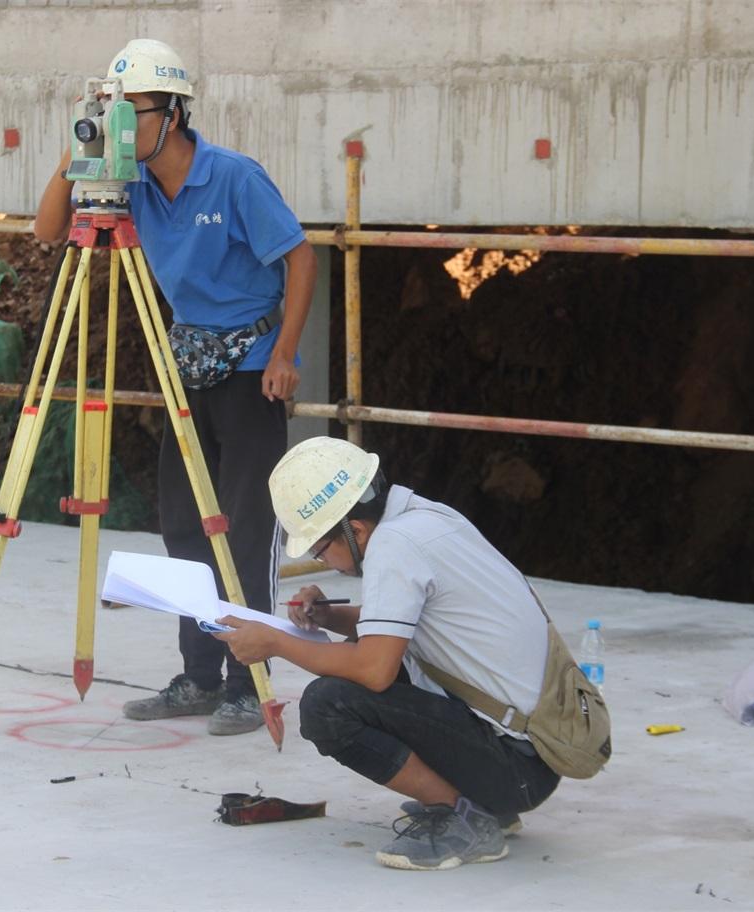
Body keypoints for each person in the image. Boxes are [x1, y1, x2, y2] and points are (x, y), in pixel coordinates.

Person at [34, 39, 318, 736]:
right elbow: (48, 232)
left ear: (175, 113)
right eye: (116, 109)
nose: (125, 123)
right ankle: (198, 676)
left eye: (135, 109)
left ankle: (249, 681)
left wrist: (286, 353)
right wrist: (82, 151)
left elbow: (301, 257)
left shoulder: (233, 177)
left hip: (251, 366)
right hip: (185, 365)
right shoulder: (127, 183)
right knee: (186, 527)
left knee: (246, 529)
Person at [213, 436, 562, 871]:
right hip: (532, 751)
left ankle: (467, 819)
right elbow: (403, 625)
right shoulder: (422, 517)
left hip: (517, 768)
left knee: (328, 704)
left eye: (322, 551)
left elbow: (376, 669)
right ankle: (479, 802)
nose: (329, 564)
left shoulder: (394, 548)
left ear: (354, 530)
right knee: (360, 662)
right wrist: (326, 617)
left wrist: (276, 643)